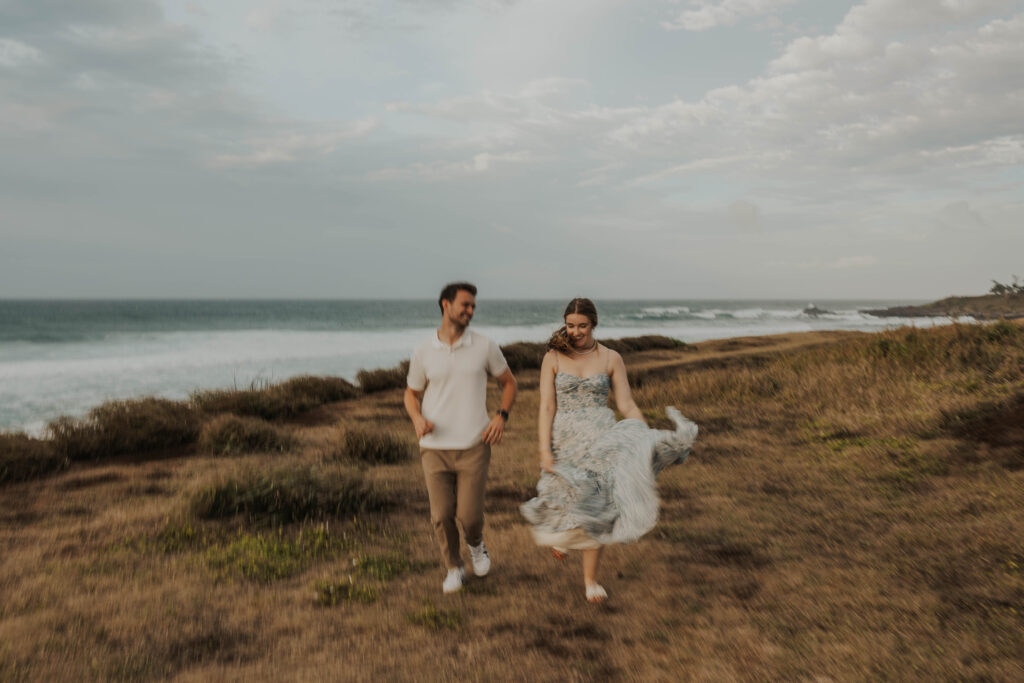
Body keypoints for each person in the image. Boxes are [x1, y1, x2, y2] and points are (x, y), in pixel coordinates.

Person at [520, 297, 697, 603]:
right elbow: (547, 406)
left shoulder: (611, 358)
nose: (576, 332)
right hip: (565, 438)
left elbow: (625, 403)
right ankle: (564, 539)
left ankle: (590, 581)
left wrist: (642, 433)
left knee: (598, 507)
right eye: (570, 326)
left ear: (594, 324)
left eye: (582, 326)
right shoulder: (553, 357)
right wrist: (544, 449)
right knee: (561, 492)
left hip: (601, 438)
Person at [405, 282, 518, 594]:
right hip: (433, 448)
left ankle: (476, 543)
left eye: (473, 307)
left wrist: (501, 416)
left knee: (468, 516)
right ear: (446, 305)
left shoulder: (484, 346)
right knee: (441, 516)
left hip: (473, 445)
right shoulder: (423, 350)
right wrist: (416, 418)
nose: (470, 311)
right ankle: (454, 567)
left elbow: (509, 383)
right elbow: (411, 393)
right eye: (465, 305)